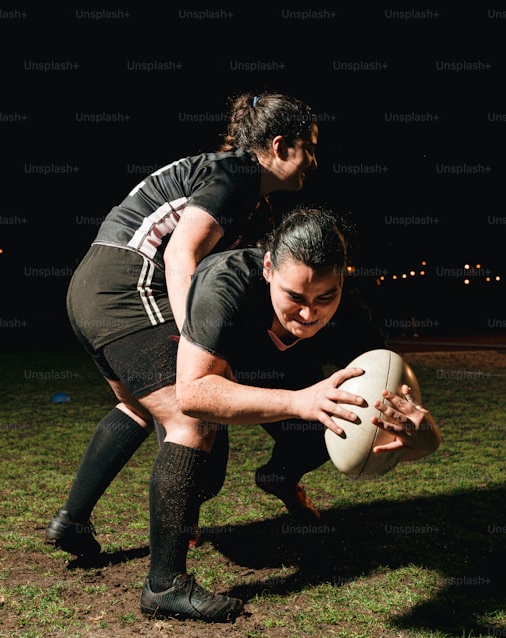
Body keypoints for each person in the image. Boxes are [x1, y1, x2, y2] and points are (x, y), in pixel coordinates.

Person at [46, 91, 320, 559]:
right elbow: (180, 253)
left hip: (94, 286)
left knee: (140, 407)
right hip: (126, 286)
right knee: (193, 418)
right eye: (308, 146)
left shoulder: (248, 192)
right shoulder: (237, 174)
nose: (313, 159)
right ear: (278, 145)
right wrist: (195, 339)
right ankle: (167, 579)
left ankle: (72, 521)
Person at [139, 206, 441, 622]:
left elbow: (384, 417)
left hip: (281, 367)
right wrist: (299, 401)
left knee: (334, 424)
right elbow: (192, 392)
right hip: (205, 355)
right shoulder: (226, 283)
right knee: (199, 460)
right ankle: (165, 579)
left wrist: (425, 437)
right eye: (294, 297)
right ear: (267, 269)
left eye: (325, 297)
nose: (308, 313)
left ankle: (279, 476)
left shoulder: (351, 313)